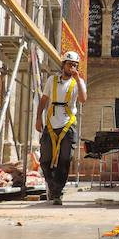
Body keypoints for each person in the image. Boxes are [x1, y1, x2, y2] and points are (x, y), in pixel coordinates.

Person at [36, 51, 87, 205]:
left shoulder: (78, 82)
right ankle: (52, 185)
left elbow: (83, 99)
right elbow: (44, 100)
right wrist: (38, 118)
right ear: (63, 64)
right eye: (70, 64)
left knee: (65, 159)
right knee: (45, 158)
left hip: (68, 124)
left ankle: (57, 192)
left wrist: (78, 79)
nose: (73, 67)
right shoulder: (52, 80)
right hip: (51, 123)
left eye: (75, 65)